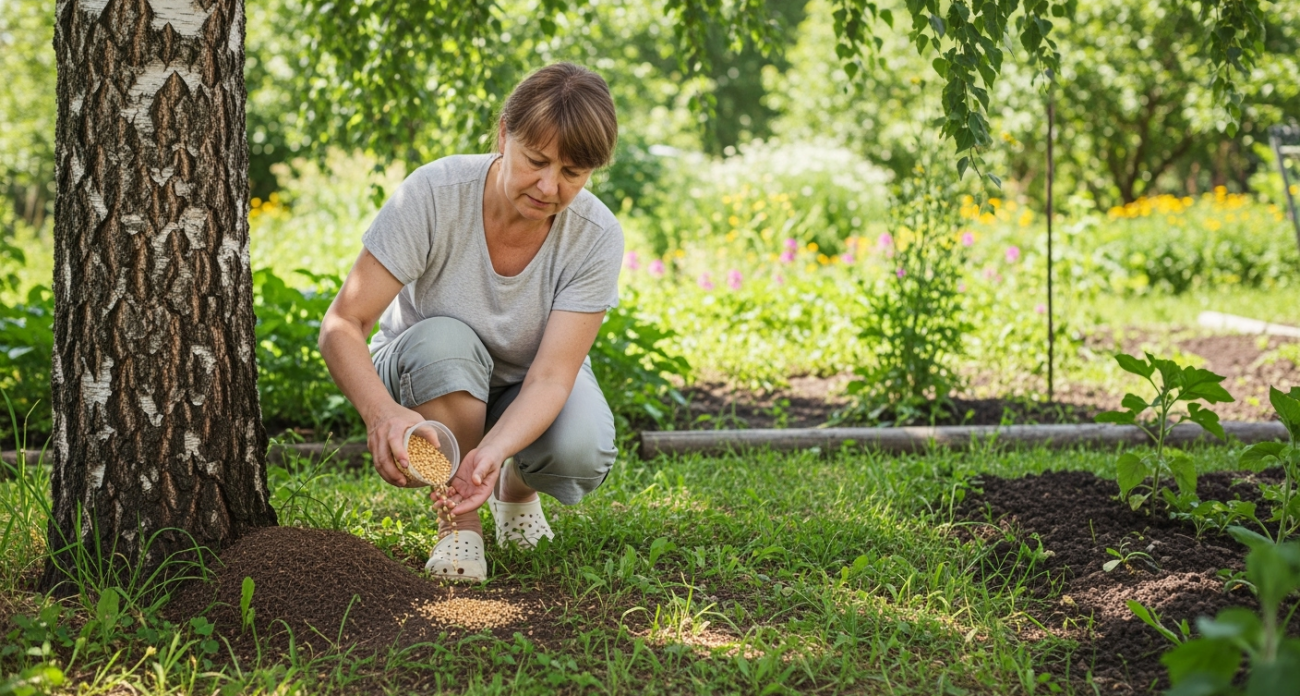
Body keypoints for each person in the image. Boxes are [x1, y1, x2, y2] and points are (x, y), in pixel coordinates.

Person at [318, 62, 623, 582]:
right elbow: (344, 321)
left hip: (526, 381)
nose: (549, 186)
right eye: (536, 160)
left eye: (572, 173)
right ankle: (459, 522)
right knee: (447, 341)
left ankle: (514, 490)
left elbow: (551, 377)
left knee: (581, 448)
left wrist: (496, 452)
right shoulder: (434, 194)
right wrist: (380, 414)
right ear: (504, 134)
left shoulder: (595, 236)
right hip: (430, 368)